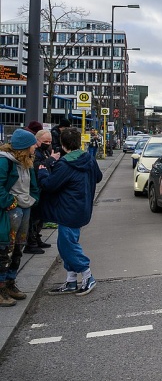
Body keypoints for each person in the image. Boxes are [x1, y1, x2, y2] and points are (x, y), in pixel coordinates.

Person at [38, 128, 103, 296]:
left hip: (68, 209)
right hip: (83, 207)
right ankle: (71, 280)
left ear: (62, 144)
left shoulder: (65, 164)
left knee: (66, 245)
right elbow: (98, 177)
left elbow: (50, 185)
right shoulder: (88, 158)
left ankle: (87, 275)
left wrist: (43, 170)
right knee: (67, 243)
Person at [0, 129, 40, 307]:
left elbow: (32, 185)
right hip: (11, 210)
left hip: (25, 207)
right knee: (5, 249)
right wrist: (10, 203)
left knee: (19, 247)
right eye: (33, 143)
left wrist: (34, 198)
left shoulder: (27, 161)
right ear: (24, 147)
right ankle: (1, 288)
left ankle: (10, 283)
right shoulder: (5, 162)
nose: (36, 146)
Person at [24, 130, 57, 254]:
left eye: (49, 141)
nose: (48, 144)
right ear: (37, 141)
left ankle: (36, 238)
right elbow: (37, 167)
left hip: (42, 188)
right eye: (45, 141)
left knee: (40, 217)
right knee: (34, 217)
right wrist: (51, 160)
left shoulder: (44, 151)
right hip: (36, 188)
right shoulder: (35, 153)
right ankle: (31, 242)